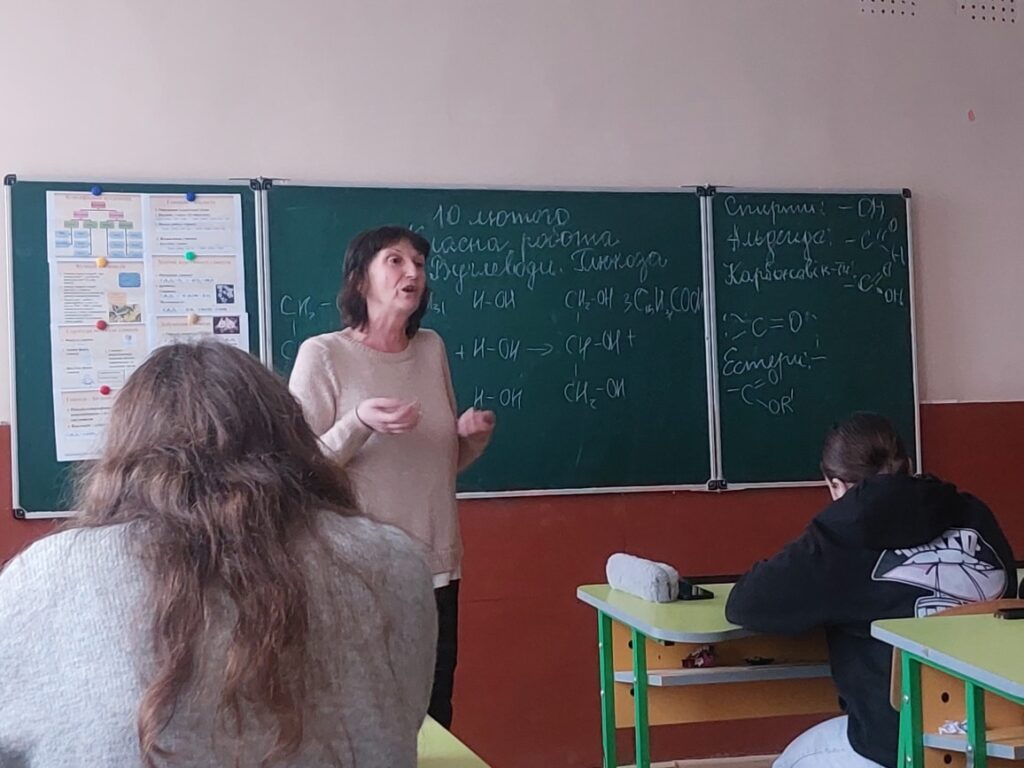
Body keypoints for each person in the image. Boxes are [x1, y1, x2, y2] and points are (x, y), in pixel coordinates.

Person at [0, 342, 437, 767]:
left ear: (124, 454)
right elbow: (404, 719)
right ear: (291, 438)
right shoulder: (396, 562)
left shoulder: (38, 579)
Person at [288, 225, 495, 729]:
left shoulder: (430, 348)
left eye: (419, 263)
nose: (413, 272)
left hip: (436, 568)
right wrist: (358, 422)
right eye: (396, 260)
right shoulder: (324, 354)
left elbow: (435, 466)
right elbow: (297, 470)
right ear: (361, 279)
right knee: (363, 718)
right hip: (360, 572)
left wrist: (469, 438)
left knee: (434, 714)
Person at [725, 412, 1016, 768]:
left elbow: (746, 604)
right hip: (999, 738)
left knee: (788, 762)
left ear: (836, 486)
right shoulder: (975, 514)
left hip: (900, 747)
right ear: (909, 465)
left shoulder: (836, 540)